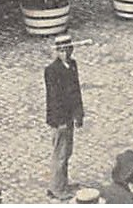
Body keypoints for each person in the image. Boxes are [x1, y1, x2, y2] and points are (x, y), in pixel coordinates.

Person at [45, 33, 85, 200]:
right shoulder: (52, 70)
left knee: (67, 152)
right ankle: (56, 188)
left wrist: (79, 113)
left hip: (70, 116)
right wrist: (60, 121)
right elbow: (54, 99)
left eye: (67, 49)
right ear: (57, 52)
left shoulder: (72, 65)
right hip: (60, 119)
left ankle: (63, 182)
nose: (65, 53)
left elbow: (76, 91)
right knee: (60, 154)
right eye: (61, 50)